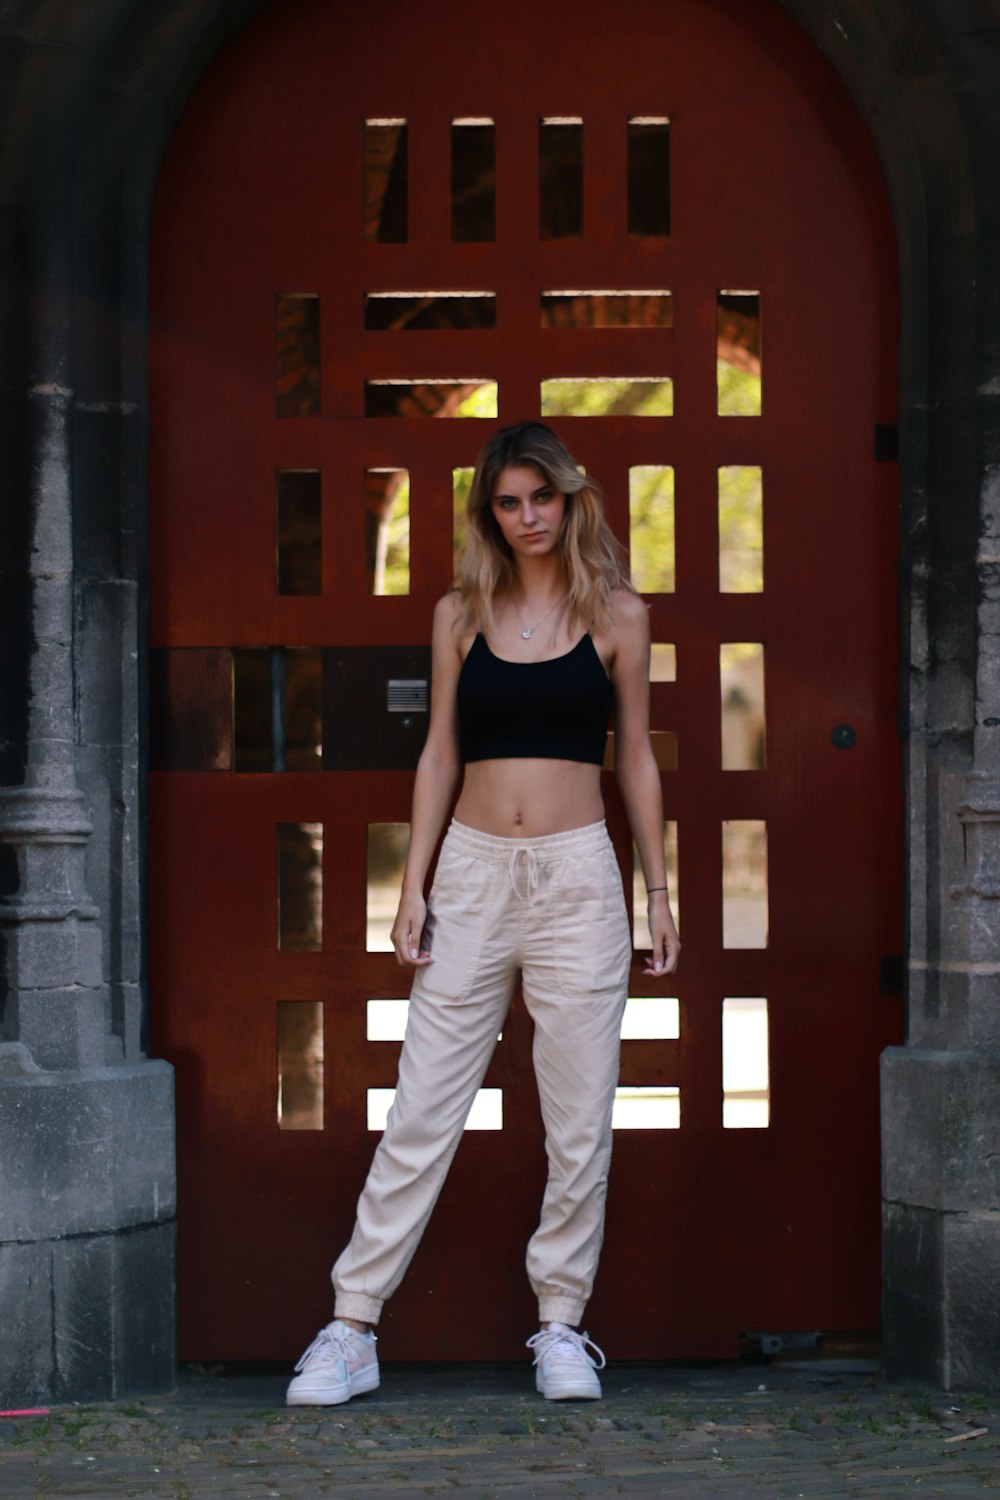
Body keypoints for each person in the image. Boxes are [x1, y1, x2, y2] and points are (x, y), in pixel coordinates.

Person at [287, 420, 680, 1408]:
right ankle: (351, 1325)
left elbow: (633, 754)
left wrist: (657, 888)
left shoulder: (621, 616)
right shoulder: (459, 612)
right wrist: (413, 883)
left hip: (578, 880)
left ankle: (558, 1324)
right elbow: (438, 756)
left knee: (580, 1118)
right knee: (421, 1107)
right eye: (508, 502)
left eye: (540, 497)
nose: (527, 517)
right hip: (470, 872)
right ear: (488, 515)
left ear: (570, 498)